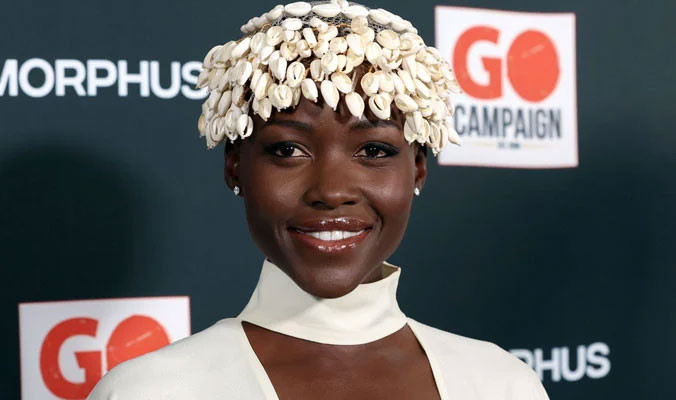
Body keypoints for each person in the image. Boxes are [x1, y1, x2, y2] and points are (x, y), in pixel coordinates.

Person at [88, 2, 550, 399]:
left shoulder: (502, 384)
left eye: (375, 151)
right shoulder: (148, 391)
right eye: (288, 150)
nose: (331, 191)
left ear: (418, 170)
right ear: (235, 167)